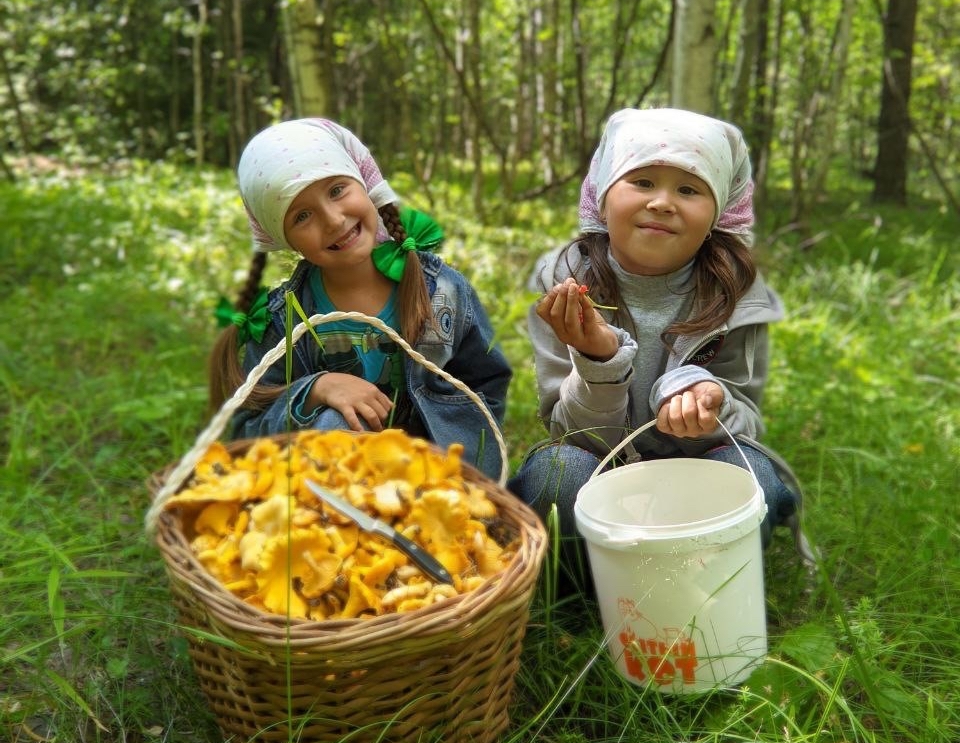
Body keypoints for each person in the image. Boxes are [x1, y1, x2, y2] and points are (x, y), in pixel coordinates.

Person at [508, 107, 811, 585]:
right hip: (603, 468)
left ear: (717, 214)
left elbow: (746, 425)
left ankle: (693, 583)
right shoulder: (567, 286)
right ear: (602, 198)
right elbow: (570, 434)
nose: (663, 203)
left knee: (753, 475)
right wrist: (599, 361)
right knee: (554, 476)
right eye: (643, 182)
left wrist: (712, 402)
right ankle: (599, 589)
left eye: (689, 190)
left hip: (697, 469)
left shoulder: (737, 295)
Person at [208, 117, 511, 481]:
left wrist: (455, 463)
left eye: (337, 190)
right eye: (303, 216)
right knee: (331, 423)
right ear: (283, 237)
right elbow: (247, 432)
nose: (334, 220)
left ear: (365, 183)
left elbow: (484, 387)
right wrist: (315, 390)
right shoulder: (284, 321)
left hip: (432, 481)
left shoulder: (442, 291)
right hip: (337, 493)